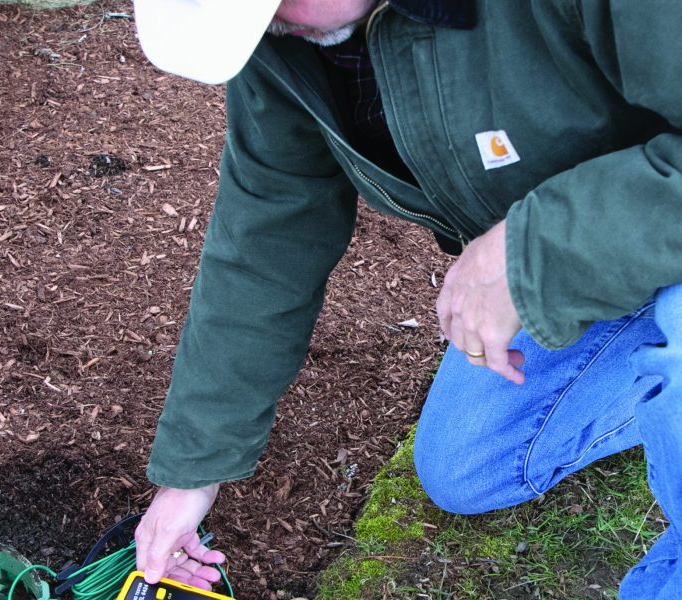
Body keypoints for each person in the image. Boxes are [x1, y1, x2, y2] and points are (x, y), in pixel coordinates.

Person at [130, 1, 682, 597]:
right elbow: (270, 225)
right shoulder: (284, 38)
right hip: (605, 251)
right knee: (471, 465)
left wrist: (531, 253)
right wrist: (195, 470)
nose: (261, 24)